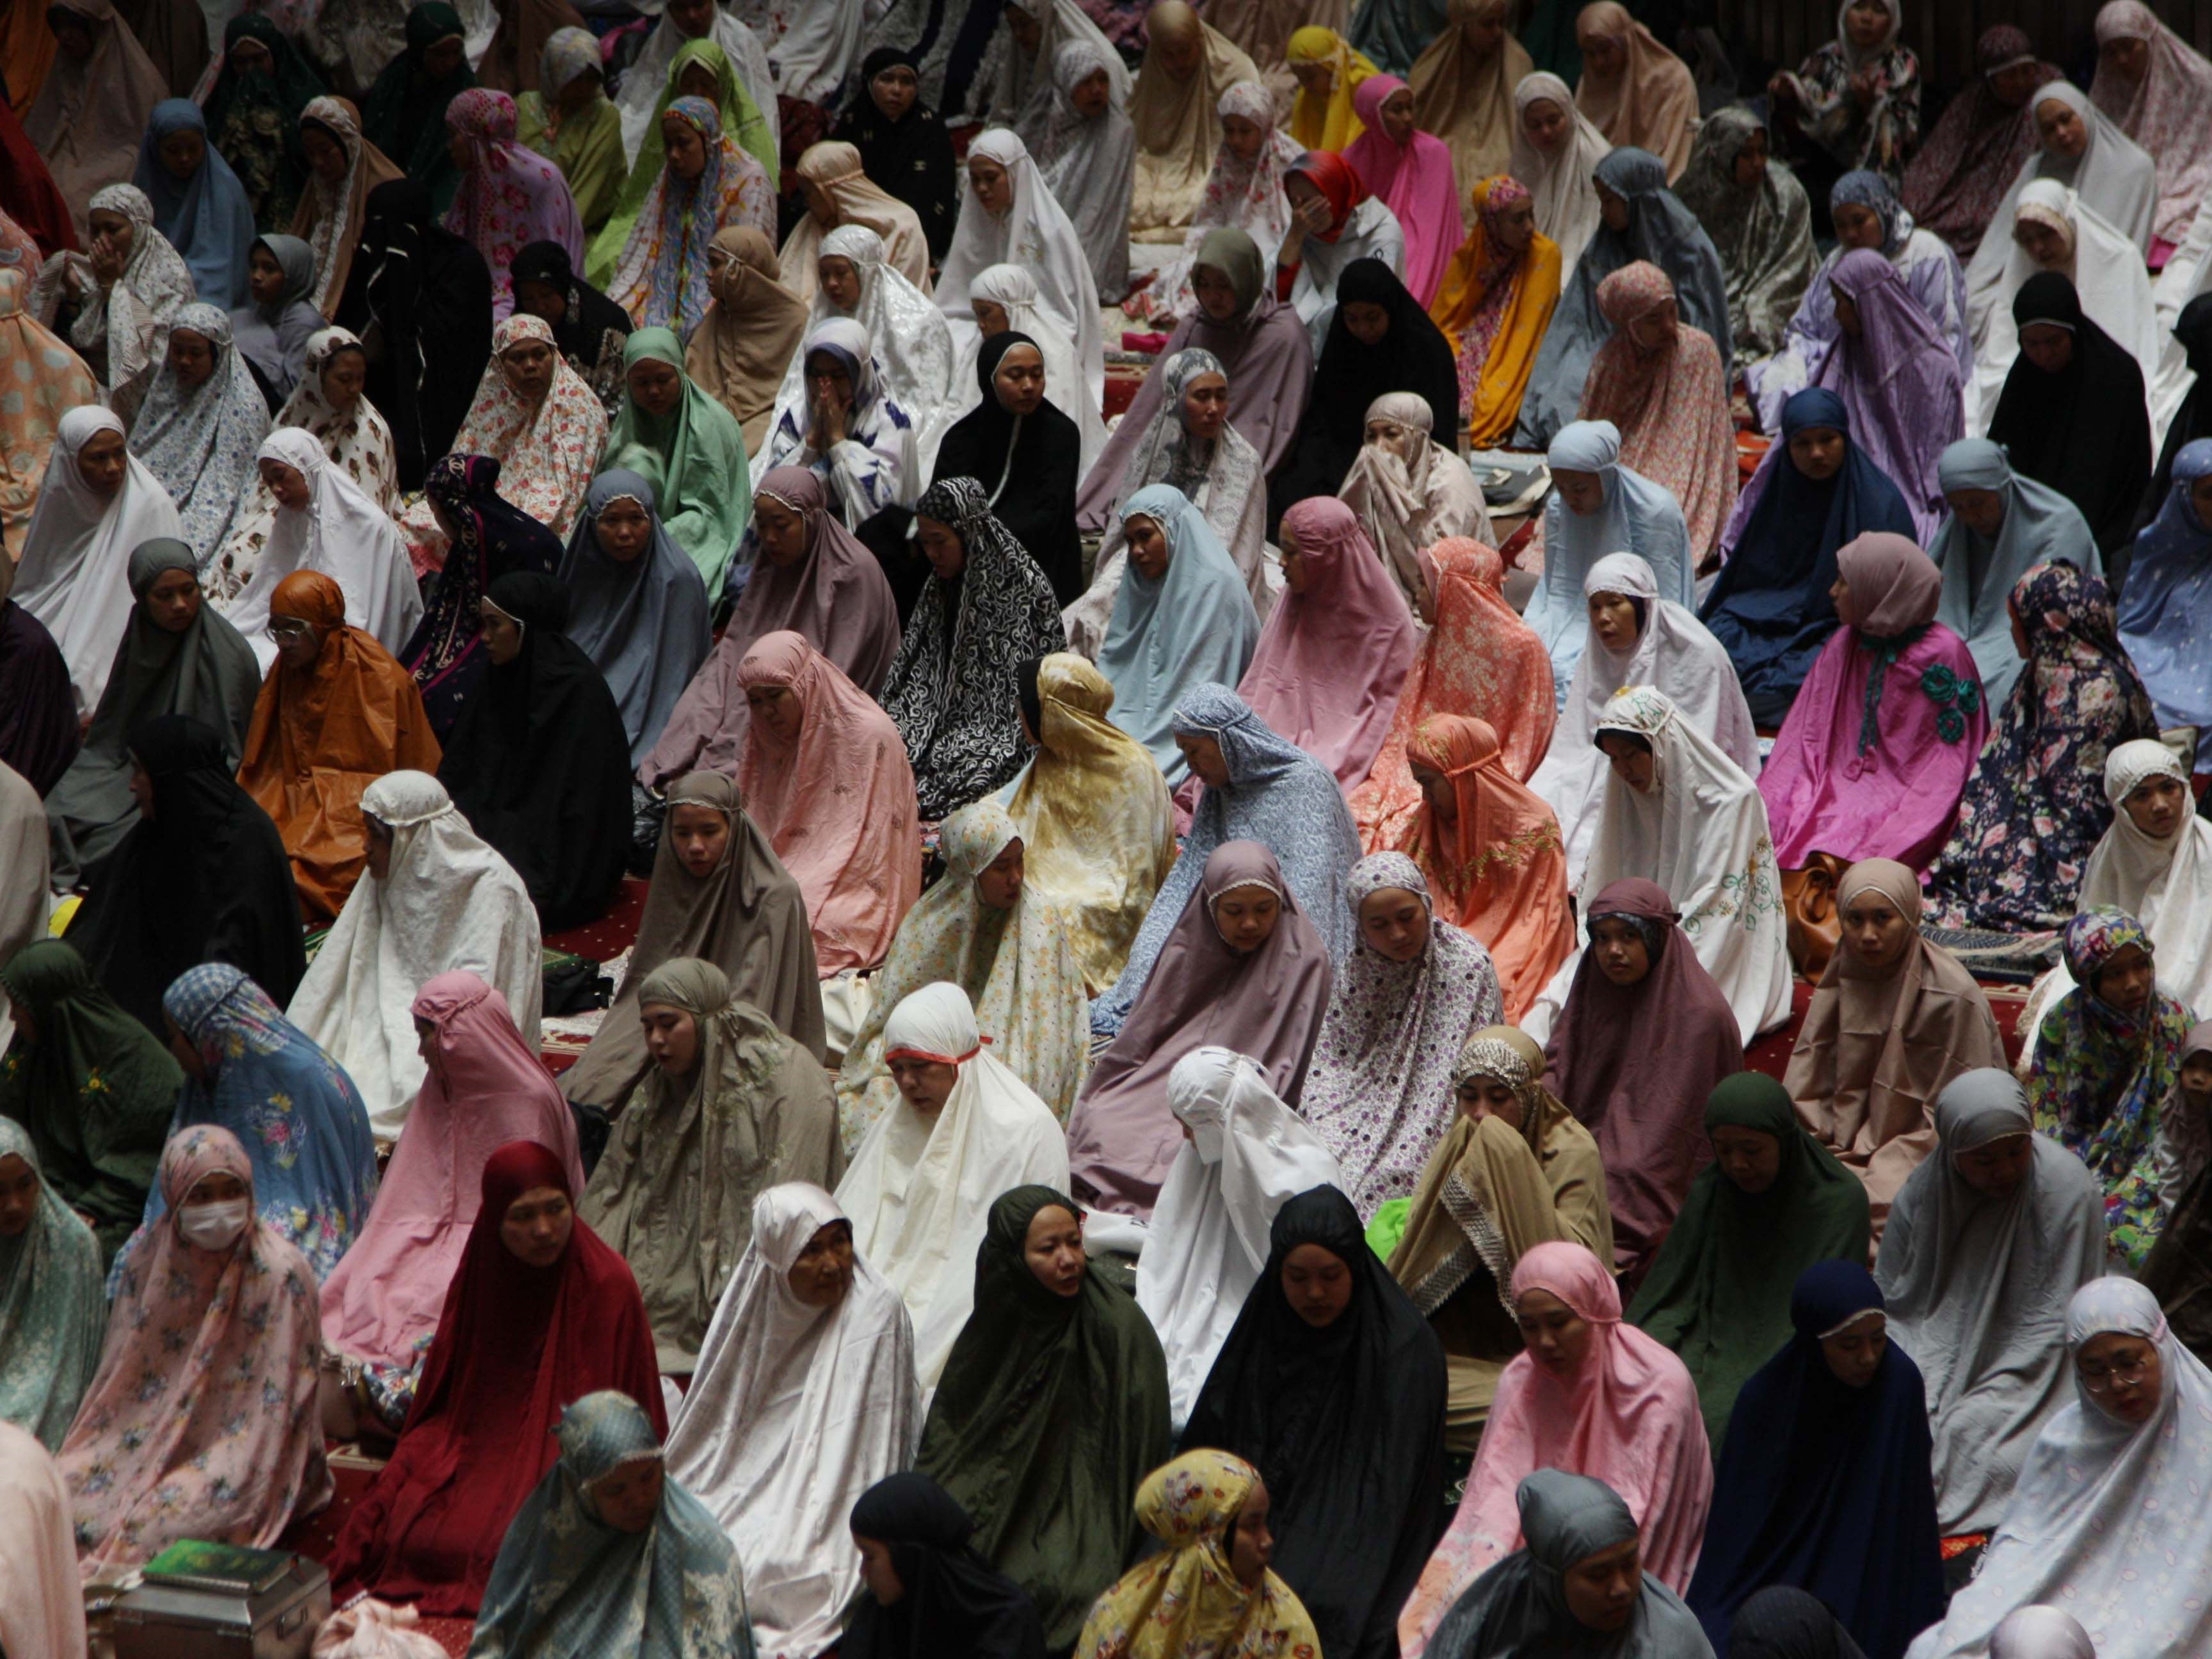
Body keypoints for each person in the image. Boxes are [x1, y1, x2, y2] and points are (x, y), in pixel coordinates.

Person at [325, 1140, 664, 1615]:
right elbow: (454, 1391)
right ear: (495, 1220)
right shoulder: (485, 1271)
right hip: (480, 1436)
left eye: (555, 1210)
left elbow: (631, 1416)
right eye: (522, 1217)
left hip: (575, 1451)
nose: (543, 1231)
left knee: (531, 1538)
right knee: (416, 1528)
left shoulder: (608, 1282)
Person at [1399, 1241, 1713, 1651]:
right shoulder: (1522, 1379)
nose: (1545, 1342)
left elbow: (1644, 1513)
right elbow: (1494, 1497)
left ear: (1593, 1311)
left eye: (1560, 1322)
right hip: (1543, 1550)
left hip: (1608, 1556)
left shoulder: (1659, 1387)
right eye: (1530, 1327)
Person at [58, 1125, 329, 1575]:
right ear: (175, 1196)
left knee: (153, 1525)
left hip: (240, 1445)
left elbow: (277, 1412)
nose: (218, 1210)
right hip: (145, 1431)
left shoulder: (281, 1275)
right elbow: (119, 1384)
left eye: (231, 1192)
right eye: (201, 1196)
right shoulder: (147, 1264)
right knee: (64, 1490)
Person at [662, 1183, 917, 1655]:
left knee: (787, 1563)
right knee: (685, 1535)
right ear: (777, 1259)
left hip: (832, 1488)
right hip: (746, 1476)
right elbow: (719, 1424)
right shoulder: (753, 1306)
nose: (833, 1264)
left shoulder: (876, 1309)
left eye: (840, 1241)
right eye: (811, 1250)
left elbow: (867, 1441)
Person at [915, 1185, 1170, 1650]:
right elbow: (958, 1437)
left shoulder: (1119, 1331)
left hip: (1083, 1517)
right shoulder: (999, 1316)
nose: (1070, 1260)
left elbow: (1129, 1462)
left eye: (1074, 1242)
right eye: (1048, 1249)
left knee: (1056, 1591)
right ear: (1013, 1258)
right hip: (994, 1492)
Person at [318, 973, 582, 1421]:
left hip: (505, 1237)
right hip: (427, 1227)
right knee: (371, 1286)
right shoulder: (441, 1087)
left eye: (429, 1036)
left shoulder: (530, 1100)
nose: (421, 1051)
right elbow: (411, 1190)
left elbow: (538, 1207)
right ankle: (368, 1388)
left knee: (440, 1304)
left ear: (460, 1037)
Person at [1905, 1277, 2212, 1659]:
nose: (2117, 1385)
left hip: (2170, 1622)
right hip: (2063, 1609)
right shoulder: (2066, 1441)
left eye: (2129, 1363)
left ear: (2161, 1347)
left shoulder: (2204, 1433)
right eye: (2096, 1372)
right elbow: (2025, 1543)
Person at [1875, 1070, 2106, 1546]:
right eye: (1984, 1160)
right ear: (1954, 1156)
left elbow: (2057, 1317)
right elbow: (1897, 1303)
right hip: (1933, 1341)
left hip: (2035, 1366)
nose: (2003, 1170)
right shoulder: (1925, 1192)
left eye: (2015, 1151)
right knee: (1897, 1417)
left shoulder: (2068, 1190)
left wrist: (1989, 1382)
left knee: (1986, 1444)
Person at [579, 957, 841, 1374]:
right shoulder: (661, 1089)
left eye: (669, 1024)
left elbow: (796, 1186)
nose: (657, 1040)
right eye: (647, 1027)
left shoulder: (789, 1080)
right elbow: (615, 1187)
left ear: (704, 1020)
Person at [1686, 1261, 1943, 1659]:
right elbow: (1738, 1537)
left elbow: (1908, 1512)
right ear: (1813, 1342)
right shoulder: (1765, 1402)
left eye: (1878, 1338)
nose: (1868, 1357)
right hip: (1778, 1571)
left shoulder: (1899, 1385)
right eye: (1849, 1344)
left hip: (1874, 1557)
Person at [1071, 842, 1334, 1217]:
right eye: (1234, 911)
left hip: (1244, 1089)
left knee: (1201, 1151)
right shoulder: (1187, 944)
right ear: (1209, 905)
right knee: (1105, 1123)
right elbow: (1145, 1033)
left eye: (1264, 909)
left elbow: (1291, 1062)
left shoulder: (1305, 962)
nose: (1250, 924)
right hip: (1165, 1074)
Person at [1381, 1027, 1613, 1447]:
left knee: (1555, 1402)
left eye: (1499, 1097)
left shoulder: (1572, 1153)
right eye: (1469, 1097)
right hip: (1459, 1351)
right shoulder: (1456, 1145)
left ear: (1528, 1097)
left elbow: (1577, 1281)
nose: (1481, 1114)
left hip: (1545, 1353)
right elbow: (1416, 1262)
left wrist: (1507, 1171)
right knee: (1382, 1387)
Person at [835, 984, 1072, 1386]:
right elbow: (861, 1217)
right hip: (891, 1293)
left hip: (975, 1299)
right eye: (897, 1069)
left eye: (922, 1066)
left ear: (957, 1060)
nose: (908, 1083)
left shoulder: (1025, 1130)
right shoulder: (899, 1125)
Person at [285, 770, 541, 1141]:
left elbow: (480, 989)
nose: (364, 848)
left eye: (375, 836)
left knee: (413, 1088)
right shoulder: (383, 874)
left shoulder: (493, 887)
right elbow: (345, 967)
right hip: (382, 1013)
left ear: (412, 841)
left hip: (443, 1028)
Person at [1532, 686, 1792, 1046]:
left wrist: (1648, 955)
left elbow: (1716, 906)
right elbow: (1612, 879)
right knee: (1555, 1006)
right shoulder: (1627, 791)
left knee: (1653, 1022)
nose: (1623, 770)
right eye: (1614, 760)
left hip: (1706, 941)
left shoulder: (1731, 803)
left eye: (1632, 756)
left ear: (1662, 744)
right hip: (1633, 936)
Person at [1096, 684, 1360, 1032]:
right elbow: (1192, 875)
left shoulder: (1305, 783)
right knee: (1157, 955)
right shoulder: (1222, 789)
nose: (1191, 766)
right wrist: (1159, 943)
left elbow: (1312, 899)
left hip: (1281, 930)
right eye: (1184, 754)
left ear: (1229, 742)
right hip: (1231, 922)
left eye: (1196, 752)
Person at [1627, 1074, 1871, 1448]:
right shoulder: (1713, 1190)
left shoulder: (1838, 1203)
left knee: (1731, 1416)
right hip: (1707, 1333)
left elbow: (1828, 1314)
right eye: (1723, 1151)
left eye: (1752, 1150)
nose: (1737, 1165)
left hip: (1792, 1346)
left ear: (1785, 1141)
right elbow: (1672, 1292)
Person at [837, 800, 1087, 1148]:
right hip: (934, 1051)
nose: (1016, 878)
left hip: (1005, 1048)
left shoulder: (1039, 922)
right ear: (969, 871)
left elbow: (1043, 1036)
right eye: (1001, 868)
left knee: (1002, 1116)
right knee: (880, 1099)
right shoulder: (933, 924)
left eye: (1020, 862)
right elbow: (894, 1010)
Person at [1925, 563, 2158, 933]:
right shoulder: (2049, 668)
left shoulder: (2100, 689)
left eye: (2017, 620)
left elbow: (2077, 805)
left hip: (2086, 843)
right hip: (2035, 824)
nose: (2013, 631)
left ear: (2045, 622)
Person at [639, 468, 901, 784]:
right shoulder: (772, 565)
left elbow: (839, 675)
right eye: (762, 527)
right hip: (764, 695)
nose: (770, 538)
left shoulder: (853, 574)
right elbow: (736, 649)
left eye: (781, 526)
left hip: (814, 709)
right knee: (705, 704)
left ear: (810, 520)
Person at [1541, 879, 1745, 1283]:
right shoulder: (1592, 989)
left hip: (1656, 1156)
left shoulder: (1701, 1015)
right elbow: (1559, 1071)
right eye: (1602, 939)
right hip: (1588, 1133)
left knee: (1625, 1173)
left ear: (1656, 938)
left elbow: (1672, 1132)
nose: (1613, 951)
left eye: (1629, 936)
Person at [1788, 858, 2005, 1233]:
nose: (1867, 935)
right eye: (1854, 920)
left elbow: (1963, 1112)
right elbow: (1808, 1084)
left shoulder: (1953, 995)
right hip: (1837, 1140)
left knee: (1874, 1203)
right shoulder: (1841, 975)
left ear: (1909, 917)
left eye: (1883, 918)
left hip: (1925, 1143)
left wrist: (1887, 1155)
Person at [64, 714, 306, 1042]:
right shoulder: (152, 835)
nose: (132, 785)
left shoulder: (247, 845)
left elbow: (232, 963)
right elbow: (98, 933)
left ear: (168, 780)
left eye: (140, 771)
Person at [1757, 533, 1988, 873]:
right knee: (1772, 811)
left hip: (1908, 791)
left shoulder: (1944, 653)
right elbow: (1808, 731)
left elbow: (1948, 763)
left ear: (1883, 589)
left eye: (1844, 583)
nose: (1832, 592)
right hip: (1837, 779)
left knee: (1886, 840)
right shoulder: (1847, 640)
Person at [1138, 1048, 1340, 1427]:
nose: (1185, 1137)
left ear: (1219, 1122)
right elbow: (1177, 1237)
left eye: (1190, 1126)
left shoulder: (1304, 1178)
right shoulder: (1204, 1157)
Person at [1530, 552, 1755, 886]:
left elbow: (1703, 741)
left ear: (1641, 605)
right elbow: (1579, 739)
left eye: (1615, 604)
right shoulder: (1596, 655)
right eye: (1595, 607)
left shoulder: (1694, 653)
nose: (1603, 618)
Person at [1299, 851, 1503, 1215]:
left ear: (1426, 905)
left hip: (1434, 1108)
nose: (1398, 934)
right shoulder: (1357, 972)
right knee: (1314, 1160)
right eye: (1379, 925)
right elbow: (1333, 1061)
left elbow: (1470, 1069)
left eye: (1407, 917)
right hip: (1357, 1103)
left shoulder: (1467, 966)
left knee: (1398, 1173)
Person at [470, 1388, 751, 1653]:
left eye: (649, 1477)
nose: (639, 1499)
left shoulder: (700, 1548)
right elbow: (498, 1640)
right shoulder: (552, 1534)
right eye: (616, 1491)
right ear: (580, 1491)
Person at [146, 963, 376, 1282]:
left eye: (175, 1038)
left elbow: (311, 1207)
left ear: (209, 1038)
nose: (172, 1051)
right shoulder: (220, 1079)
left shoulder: (302, 1082)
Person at [1701, 389, 1919, 725]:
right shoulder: (1781, 492)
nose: (1816, 454)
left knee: (1828, 670)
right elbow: (1750, 580)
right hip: (1770, 614)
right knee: (1710, 647)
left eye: (1827, 440)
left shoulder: (1880, 504)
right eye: (1802, 443)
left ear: (1845, 438)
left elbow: (1891, 604)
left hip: (1845, 622)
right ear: (1786, 447)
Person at [42, 543, 258, 878]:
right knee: (59, 813)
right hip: (129, 767)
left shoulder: (229, 656)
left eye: (189, 591)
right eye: (165, 596)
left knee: (119, 845)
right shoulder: (143, 635)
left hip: (190, 781)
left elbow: (230, 752)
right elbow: (115, 730)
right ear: (143, 600)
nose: (180, 605)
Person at [234, 570, 439, 921]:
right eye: (277, 629)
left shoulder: (382, 679)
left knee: (318, 867)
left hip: (356, 814)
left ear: (320, 625)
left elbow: (406, 771)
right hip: (288, 798)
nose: (283, 642)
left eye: (293, 629)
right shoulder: (286, 671)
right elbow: (265, 763)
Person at [437, 573, 631, 929]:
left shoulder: (577, 691)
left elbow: (582, 806)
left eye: (496, 625)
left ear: (526, 628)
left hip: (556, 849)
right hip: (502, 826)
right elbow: (463, 774)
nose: (485, 638)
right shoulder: (495, 679)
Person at [1087, 229, 1313, 529]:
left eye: (1224, 284)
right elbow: (1151, 406)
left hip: (1241, 459)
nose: (1212, 296)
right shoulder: (1198, 324)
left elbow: (1275, 425)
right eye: (1203, 285)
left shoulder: (1282, 335)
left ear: (1245, 278)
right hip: (1184, 444)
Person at [728, 632, 920, 978]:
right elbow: (753, 819)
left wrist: (802, 878)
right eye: (756, 701)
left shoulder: (870, 735)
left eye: (776, 696)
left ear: (806, 682)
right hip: (778, 861)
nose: (767, 712)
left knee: (812, 919)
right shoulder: (763, 734)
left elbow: (873, 853)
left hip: (851, 876)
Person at [879, 476, 1067, 821]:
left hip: (997, 727)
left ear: (969, 533)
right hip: (933, 714)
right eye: (924, 543)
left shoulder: (1024, 589)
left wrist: (961, 725)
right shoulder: (939, 585)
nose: (931, 554)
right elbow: (913, 669)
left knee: (970, 772)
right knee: (879, 751)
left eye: (939, 542)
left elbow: (1023, 697)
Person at [1518, 146, 1727, 447]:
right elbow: (1580, 317)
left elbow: (1705, 322)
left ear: (1636, 200)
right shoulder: (1607, 241)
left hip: (1669, 349)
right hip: (1613, 345)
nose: (1603, 212)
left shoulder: (1686, 245)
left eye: (1610, 201)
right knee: (1565, 399)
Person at [1352, 538, 1555, 847]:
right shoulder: (1437, 640)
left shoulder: (1522, 647)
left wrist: (1465, 782)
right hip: (1418, 770)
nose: (1417, 595)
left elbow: (1523, 743)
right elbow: (1409, 721)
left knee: (1406, 838)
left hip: (1475, 777)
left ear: (1454, 588)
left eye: (1425, 584)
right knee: (1355, 817)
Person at [1069, 349, 1271, 655]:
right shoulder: (1151, 454)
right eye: (1202, 396)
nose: (1214, 408)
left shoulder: (1243, 462)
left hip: (1209, 579)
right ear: (1176, 399)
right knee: (1092, 617)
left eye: (1221, 396)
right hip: (1145, 564)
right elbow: (1124, 534)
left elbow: (1235, 552)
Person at [2026, 909, 2195, 1267]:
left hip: (2158, 1164)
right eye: (2116, 974)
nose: (2134, 983)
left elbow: (2183, 1125)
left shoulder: (2173, 1020)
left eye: (2141, 965)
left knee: (2133, 1240)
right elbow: (2048, 1114)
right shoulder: (2064, 1025)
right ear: (2089, 980)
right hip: (2078, 1161)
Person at [2024, 744, 2212, 1065]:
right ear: (2121, 806)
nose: (2160, 806)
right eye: (2141, 796)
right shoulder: (2112, 856)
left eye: (2169, 789)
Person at [1380, 714, 1573, 1024]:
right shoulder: (1427, 823)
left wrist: (1468, 951)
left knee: (1490, 984)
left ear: (1460, 776)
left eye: (1429, 784)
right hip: (1440, 939)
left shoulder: (1533, 826)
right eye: (1420, 785)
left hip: (1511, 941)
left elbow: (1539, 919)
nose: (1425, 797)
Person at [1004, 654, 1177, 997]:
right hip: (1042, 878)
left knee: (1054, 921)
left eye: (1029, 706)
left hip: (1108, 895)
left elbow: (1135, 878)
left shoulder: (1132, 768)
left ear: (1056, 711)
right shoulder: (1054, 756)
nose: (1020, 715)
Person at [1752, 169, 1970, 438]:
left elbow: (1947, 342)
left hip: (1911, 375)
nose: (1851, 234)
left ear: (1882, 211)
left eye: (1859, 221)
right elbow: (1806, 328)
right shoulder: (1837, 262)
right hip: (1847, 372)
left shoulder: (1926, 255)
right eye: (1841, 225)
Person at [0, 940, 178, 1265]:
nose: (13, 1016)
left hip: (111, 1208)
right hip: (30, 1190)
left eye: (19, 1007)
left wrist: (91, 1207)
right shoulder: (34, 1049)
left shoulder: (134, 1062)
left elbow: (142, 1161)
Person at [1418, 1468, 1713, 1659]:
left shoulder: (1670, 1645)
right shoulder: (1501, 1604)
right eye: (1598, 1575)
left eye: (1629, 1564)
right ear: (1550, 1577)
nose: (1622, 1589)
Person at [401, 314, 607, 573]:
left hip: (543, 514)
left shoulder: (577, 405)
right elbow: (462, 469)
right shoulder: (495, 399)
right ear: (500, 364)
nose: (530, 366)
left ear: (554, 355)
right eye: (518, 358)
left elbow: (566, 493)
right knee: (412, 524)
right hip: (486, 507)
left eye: (539, 355)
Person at [1088, 483, 1261, 792]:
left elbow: (1203, 689)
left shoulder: (1215, 589)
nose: (1137, 552)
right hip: (1135, 719)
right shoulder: (1141, 582)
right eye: (1130, 541)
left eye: (1145, 536)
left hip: (1184, 735)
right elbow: (1118, 664)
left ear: (1174, 530)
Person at [10, 406, 183, 715]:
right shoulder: (64, 496)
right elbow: (42, 578)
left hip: (118, 639)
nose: (115, 468)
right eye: (98, 458)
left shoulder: (151, 507)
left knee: (76, 678)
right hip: (50, 619)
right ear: (71, 462)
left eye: (119, 454)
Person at [1075, 1447, 1322, 1659]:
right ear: (1211, 1539)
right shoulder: (1124, 1614)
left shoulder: (1285, 1627)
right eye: (1252, 1526)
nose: (1267, 1541)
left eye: (1264, 1524)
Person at [1237, 497, 1415, 789]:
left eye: (1292, 553)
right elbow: (1264, 685)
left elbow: (1375, 721)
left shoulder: (1388, 626)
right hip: (1279, 735)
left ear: (1326, 558)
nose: (1281, 563)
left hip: (1338, 748)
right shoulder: (1294, 600)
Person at [774, 224, 956, 501]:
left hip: (884, 427)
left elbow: (926, 403)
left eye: (841, 273)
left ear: (865, 271)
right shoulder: (823, 318)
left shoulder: (918, 321)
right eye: (824, 275)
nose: (832, 284)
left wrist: (848, 434)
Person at [333, 179, 495, 491]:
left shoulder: (461, 266)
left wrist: (402, 296)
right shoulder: (374, 255)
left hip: (446, 405)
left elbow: (449, 351)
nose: (384, 242)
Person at [225, 429, 424, 680]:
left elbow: (363, 612)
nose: (276, 489)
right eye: (268, 483)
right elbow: (269, 586)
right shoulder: (292, 519)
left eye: (281, 476)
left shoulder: (369, 527)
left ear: (306, 468)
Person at [1966, 183, 2160, 442]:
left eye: (2046, 234)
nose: (2037, 249)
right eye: (2027, 240)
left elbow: (2132, 344)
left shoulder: (2119, 260)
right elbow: (2001, 355)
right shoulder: (2023, 268)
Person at [1271, 256, 1455, 523]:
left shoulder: (1427, 351)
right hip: (1346, 457)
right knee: (1292, 496)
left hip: (1407, 463)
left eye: (1372, 318)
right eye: (1352, 319)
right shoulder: (1343, 344)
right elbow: (1322, 420)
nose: (1363, 329)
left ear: (1390, 309)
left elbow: (1438, 437)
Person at [393, 452, 563, 739]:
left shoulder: (503, 543)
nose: (436, 521)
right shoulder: (474, 536)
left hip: (518, 652)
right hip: (489, 637)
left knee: (436, 705)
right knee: (399, 688)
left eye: (435, 512)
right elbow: (446, 616)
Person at [1576, 260, 1736, 560]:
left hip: (1681, 464)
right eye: (1653, 319)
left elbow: (1693, 443)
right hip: (1625, 460)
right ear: (1630, 324)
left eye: (1672, 312)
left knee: (1658, 512)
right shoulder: (1611, 361)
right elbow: (1593, 437)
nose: (1668, 326)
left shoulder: (1697, 351)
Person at [1928, 438, 2101, 715]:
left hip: (2030, 635)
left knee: (2004, 682)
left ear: (2001, 488)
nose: (1971, 516)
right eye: (1958, 508)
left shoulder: (2058, 525)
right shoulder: (1959, 532)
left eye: (1978, 503)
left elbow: (2051, 616)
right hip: (1972, 641)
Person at [550, 474, 710, 769]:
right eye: (611, 521)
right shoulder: (582, 573)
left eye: (636, 519)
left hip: (650, 716)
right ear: (592, 523)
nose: (625, 533)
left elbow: (675, 679)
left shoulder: (677, 582)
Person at [1967, 81, 2158, 327]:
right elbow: (2001, 240)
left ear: (2084, 112)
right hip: (2038, 273)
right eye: (2049, 129)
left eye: (2066, 119)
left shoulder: (2133, 169)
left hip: (2103, 283)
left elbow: (2123, 253)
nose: (2061, 133)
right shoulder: (2038, 168)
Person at [1990, 272, 2151, 559]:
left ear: (2073, 333)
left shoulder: (2116, 376)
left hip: (2100, 526)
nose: (2043, 354)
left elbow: (2126, 477)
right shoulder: (2024, 380)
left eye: (2054, 342)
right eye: (2032, 344)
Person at [931, 331, 1087, 603]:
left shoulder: (1061, 434)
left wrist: (982, 544)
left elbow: (1048, 517)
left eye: (1037, 375)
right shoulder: (961, 439)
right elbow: (940, 506)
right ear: (990, 379)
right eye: (1015, 376)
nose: (1029, 386)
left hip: (1039, 567)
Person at [599, 97, 774, 340]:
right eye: (668, 145)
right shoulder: (671, 177)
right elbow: (645, 250)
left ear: (708, 141)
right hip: (663, 299)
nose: (674, 155)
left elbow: (749, 270)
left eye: (684, 144)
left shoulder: (749, 179)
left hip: (720, 298)